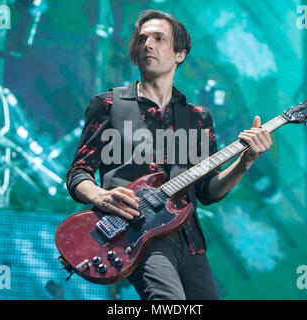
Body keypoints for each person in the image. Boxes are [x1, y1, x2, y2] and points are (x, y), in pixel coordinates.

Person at [66, 10, 272, 300]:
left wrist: (244, 163)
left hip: (189, 241)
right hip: (136, 234)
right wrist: (100, 196)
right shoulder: (108, 105)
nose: (147, 44)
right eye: (142, 39)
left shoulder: (198, 118)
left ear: (180, 54)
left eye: (159, 39)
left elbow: (208, 190)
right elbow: (78, 173)